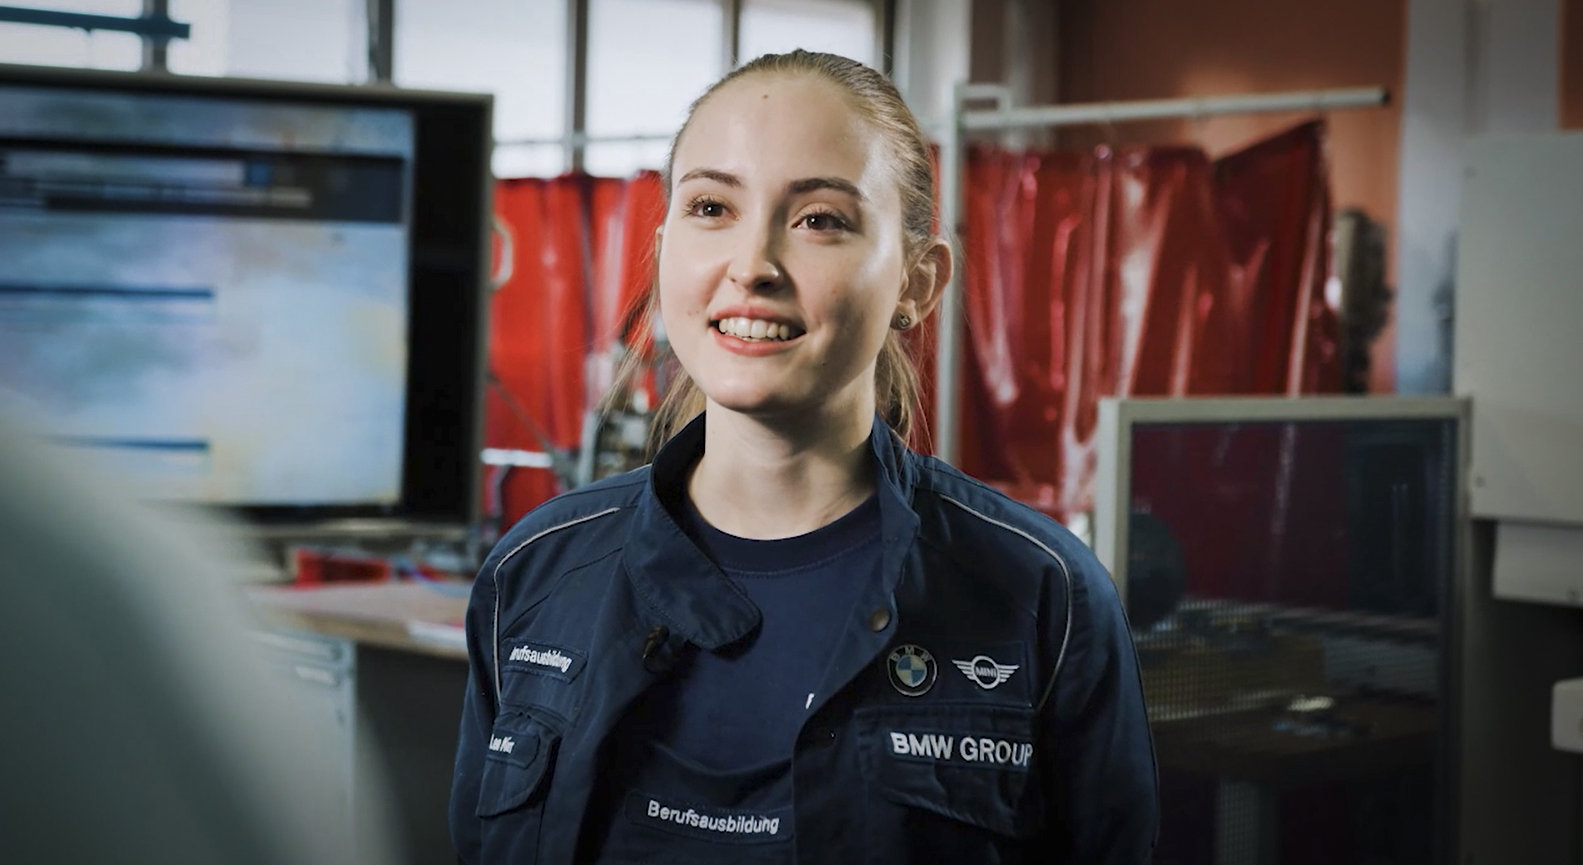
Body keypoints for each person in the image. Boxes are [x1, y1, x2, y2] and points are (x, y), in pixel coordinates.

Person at [450, 50, 1157, 864]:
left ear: (917, 282)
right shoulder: (533, 575)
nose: (752, 265)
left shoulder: (1043, 597)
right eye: (711, 206)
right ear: (665, 248)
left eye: (820, 219)